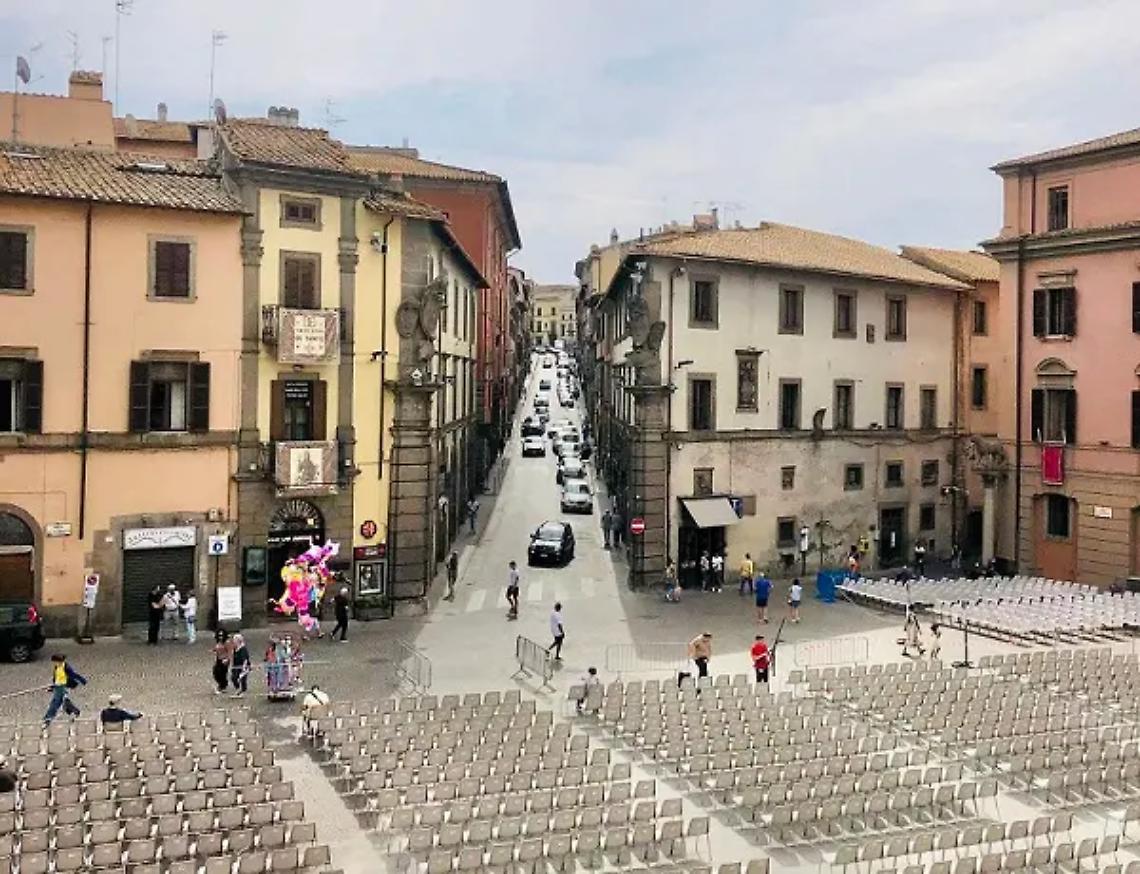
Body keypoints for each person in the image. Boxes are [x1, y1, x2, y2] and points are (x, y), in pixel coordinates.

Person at [43, 653, 85, 726]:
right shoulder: (56, 667)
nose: (55, 663)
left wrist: (82, 680)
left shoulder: (66, 667)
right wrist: (52, 687)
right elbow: (56, 679)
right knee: (62, 702)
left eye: (56, 662)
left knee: (56, 703)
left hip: (64, 687)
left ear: (60, 661)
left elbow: (74, 675)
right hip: (58, 687)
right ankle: (75, 711)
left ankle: (48, 718)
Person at [212, 630, 232, 695]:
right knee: (215, 672)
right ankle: (222, 685)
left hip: (224, 660)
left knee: (222, 673)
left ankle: (222, 686)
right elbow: (217, 649)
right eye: (219, 635)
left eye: (222, 635)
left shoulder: (227, 642)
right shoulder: (218, 642)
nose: (220, 637)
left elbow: (230, 652)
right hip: (218, 659)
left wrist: (227, 659)